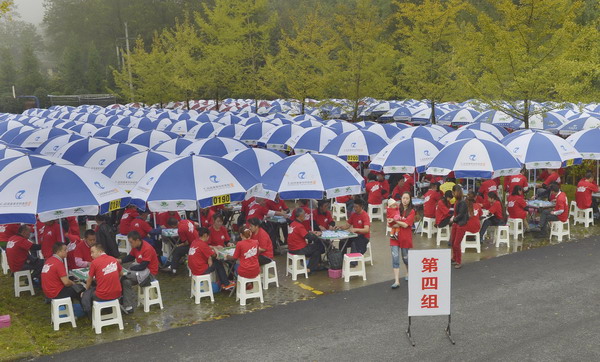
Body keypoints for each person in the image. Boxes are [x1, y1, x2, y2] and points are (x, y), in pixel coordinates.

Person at [119, 231, 159, 313]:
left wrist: (130, 269)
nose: (130, 244)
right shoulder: (136, 247)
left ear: (137, 240)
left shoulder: (147, 248)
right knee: (126, 281)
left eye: (131, 242)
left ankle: (119, 297)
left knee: (123, 275)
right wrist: (120, 260)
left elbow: (143, 266)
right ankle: (128, 306)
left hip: (149, 273)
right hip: (141, 272)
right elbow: (130, 257)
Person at [81, 243, 123, 315]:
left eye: (92, 252)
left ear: (100, 251)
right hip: (117, 293)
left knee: (86, 294)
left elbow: (89, 280)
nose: (91, 255)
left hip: (102, 295)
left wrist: (85, 290)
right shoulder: (114, 259)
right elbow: (121, 274)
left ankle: (91, 315)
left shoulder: (94, 263)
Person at [389, 192, 415, 289]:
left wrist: (396, 221)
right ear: (401, 199)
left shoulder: (411, 211)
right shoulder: (396, 209)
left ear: (410, 199)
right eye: (403, 198)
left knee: (405, 258)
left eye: (407, 198)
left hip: (405, 238)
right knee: (395, 258)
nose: (405, 200)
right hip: (394, 237)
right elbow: (389, 224)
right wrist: (399, 222)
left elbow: (406, 225)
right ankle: (396, 280)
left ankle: (408, 272)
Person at [287, 208, 325, 272]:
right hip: (299, 249)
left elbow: (302, 233)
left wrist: (311, 233)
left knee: (315, 249)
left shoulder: (293, 224)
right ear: (301, 216)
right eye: (304, 215)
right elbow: (309, 237)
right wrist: (316, 235)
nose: (305, 216)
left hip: (291, 248)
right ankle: (310, 268)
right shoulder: (299, 226)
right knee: (319, 247)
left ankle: (314, 266)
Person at [449, 185, 468, 269]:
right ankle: (455, 257)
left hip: (461, 224)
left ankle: (458, 261)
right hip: (456, 224)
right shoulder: (458, 201)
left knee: (456, 244)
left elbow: (461, 214)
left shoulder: (462, 202)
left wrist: (454, 219)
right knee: (453, 242)